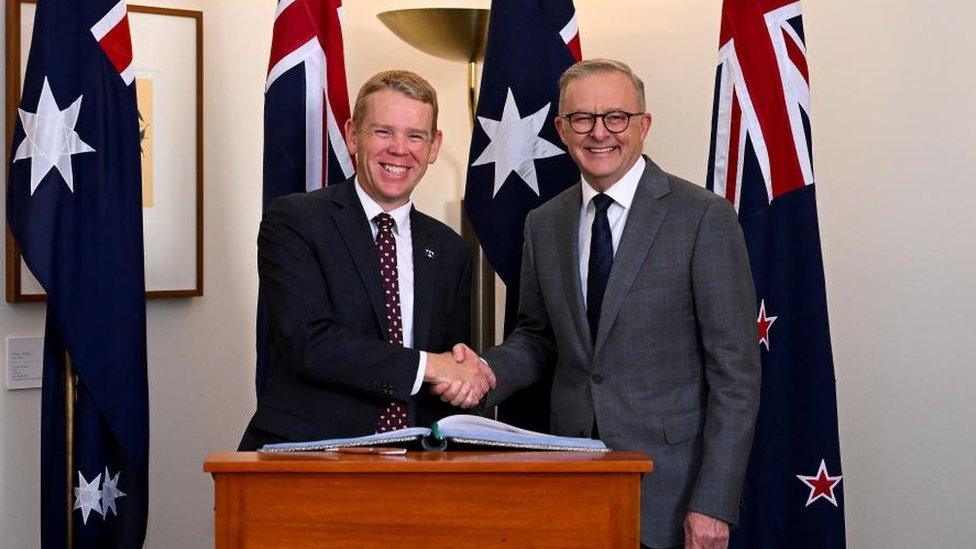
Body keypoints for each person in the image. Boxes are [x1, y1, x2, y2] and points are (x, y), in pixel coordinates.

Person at [441, 59, 760, 549]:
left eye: (616, 117)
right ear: (561, 130)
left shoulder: (702, 218)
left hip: (670, 492)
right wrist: (484, 370)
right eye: (582, 119)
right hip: (571, 480)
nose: (599, 133)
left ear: (643, 125)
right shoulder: (544, 223)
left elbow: (735, 374)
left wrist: (713, 503)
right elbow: (538, 337)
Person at [240, 70, 494, 451]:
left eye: (415, 135)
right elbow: (309, 342)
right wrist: (428, 366)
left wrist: (463, 379)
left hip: (417, 464)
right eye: (383, 132)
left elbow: (448, 367)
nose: (399, 149)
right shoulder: (296, 220)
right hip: (311, 454)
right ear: (351, 135)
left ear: (434, 146)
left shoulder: (450, 250)